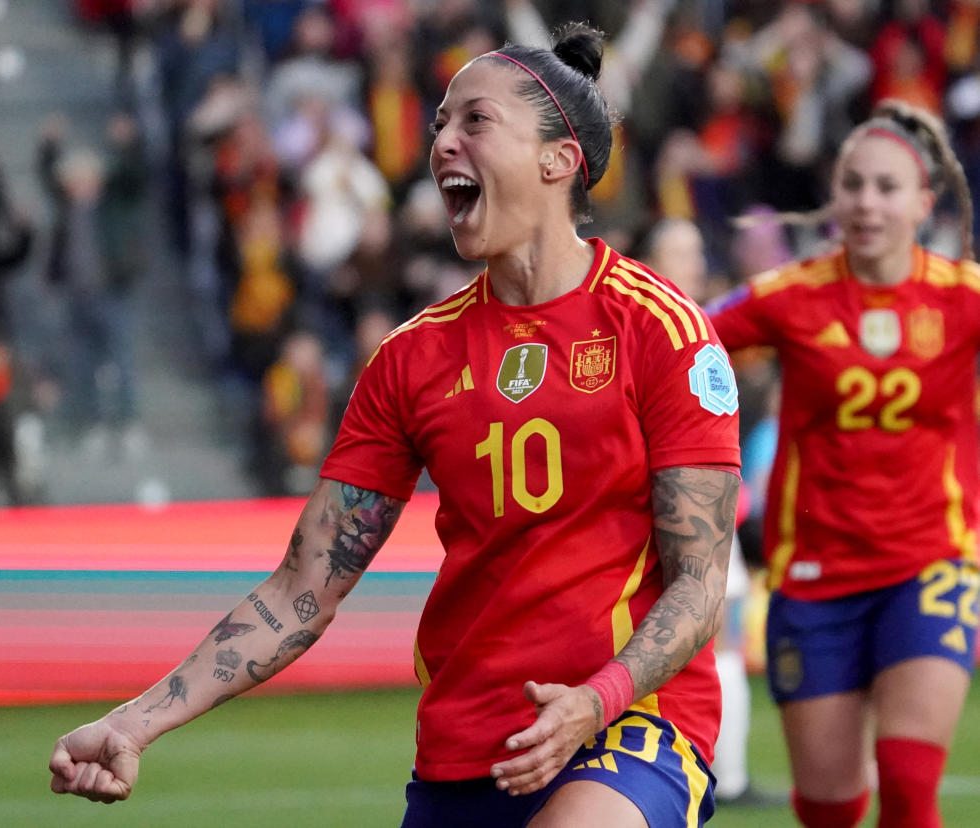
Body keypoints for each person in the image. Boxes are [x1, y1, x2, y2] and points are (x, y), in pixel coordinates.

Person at [50, 24, 741, 827]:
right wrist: (131, 723)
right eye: (440, 122)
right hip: (465, 746)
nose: (441, 140)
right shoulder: (412, 359)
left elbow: (699, 586)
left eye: (474, 122)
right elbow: (301, 590)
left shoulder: (662, 328)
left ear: (560, 161)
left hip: (627, 726)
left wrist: (599, 700)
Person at [707, 99, 978, 828]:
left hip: (931, 563)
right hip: (814, 579)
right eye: (852, 184)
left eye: (887, 188)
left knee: (908, 780)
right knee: (828, 809)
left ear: (923, 202)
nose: (866, 203)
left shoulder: (964, 297)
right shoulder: (787, 298)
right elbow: (685, 343)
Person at [640, 217, 786, 811]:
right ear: (649, 260)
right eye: (679, 250)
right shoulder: (645, 329)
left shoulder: (711, 329)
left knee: (718, 639)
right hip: (663, 517)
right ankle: (715, 775)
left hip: (711, 515)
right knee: (705, 639)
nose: (694, 261)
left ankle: (721, 772)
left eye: (698, 250)